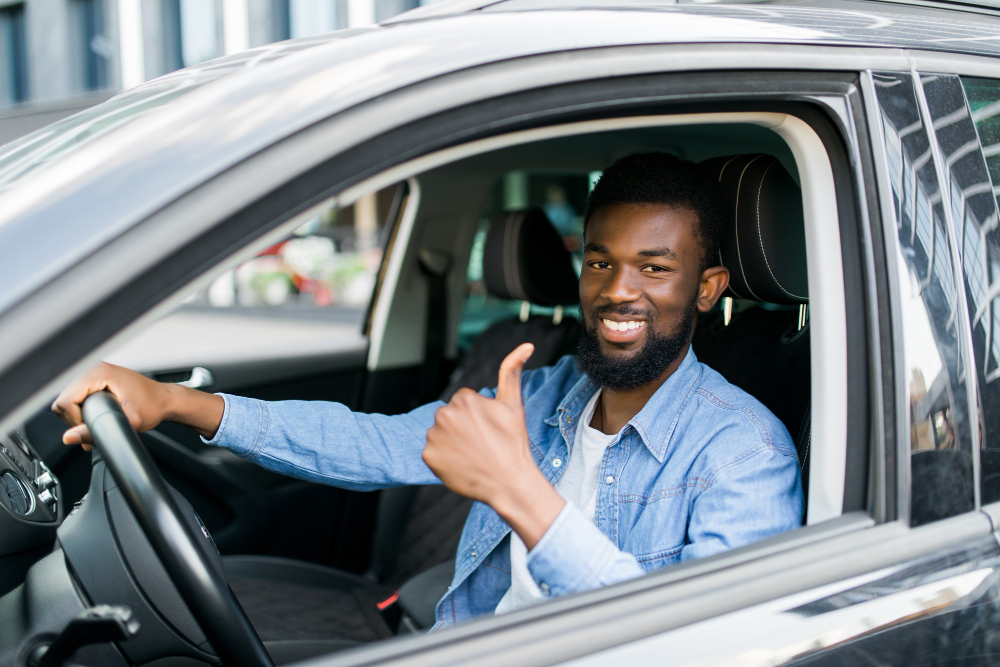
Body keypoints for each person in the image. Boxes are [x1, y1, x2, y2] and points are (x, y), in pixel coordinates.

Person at [52, 153, 803, 631]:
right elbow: (371, 441)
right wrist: (176, 403)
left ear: (707, 290)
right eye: (600, 263)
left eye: (654, 268)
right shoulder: (545, 394)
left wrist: (520, 493)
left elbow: (706, 646)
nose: (617, 292)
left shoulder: (746, 453)